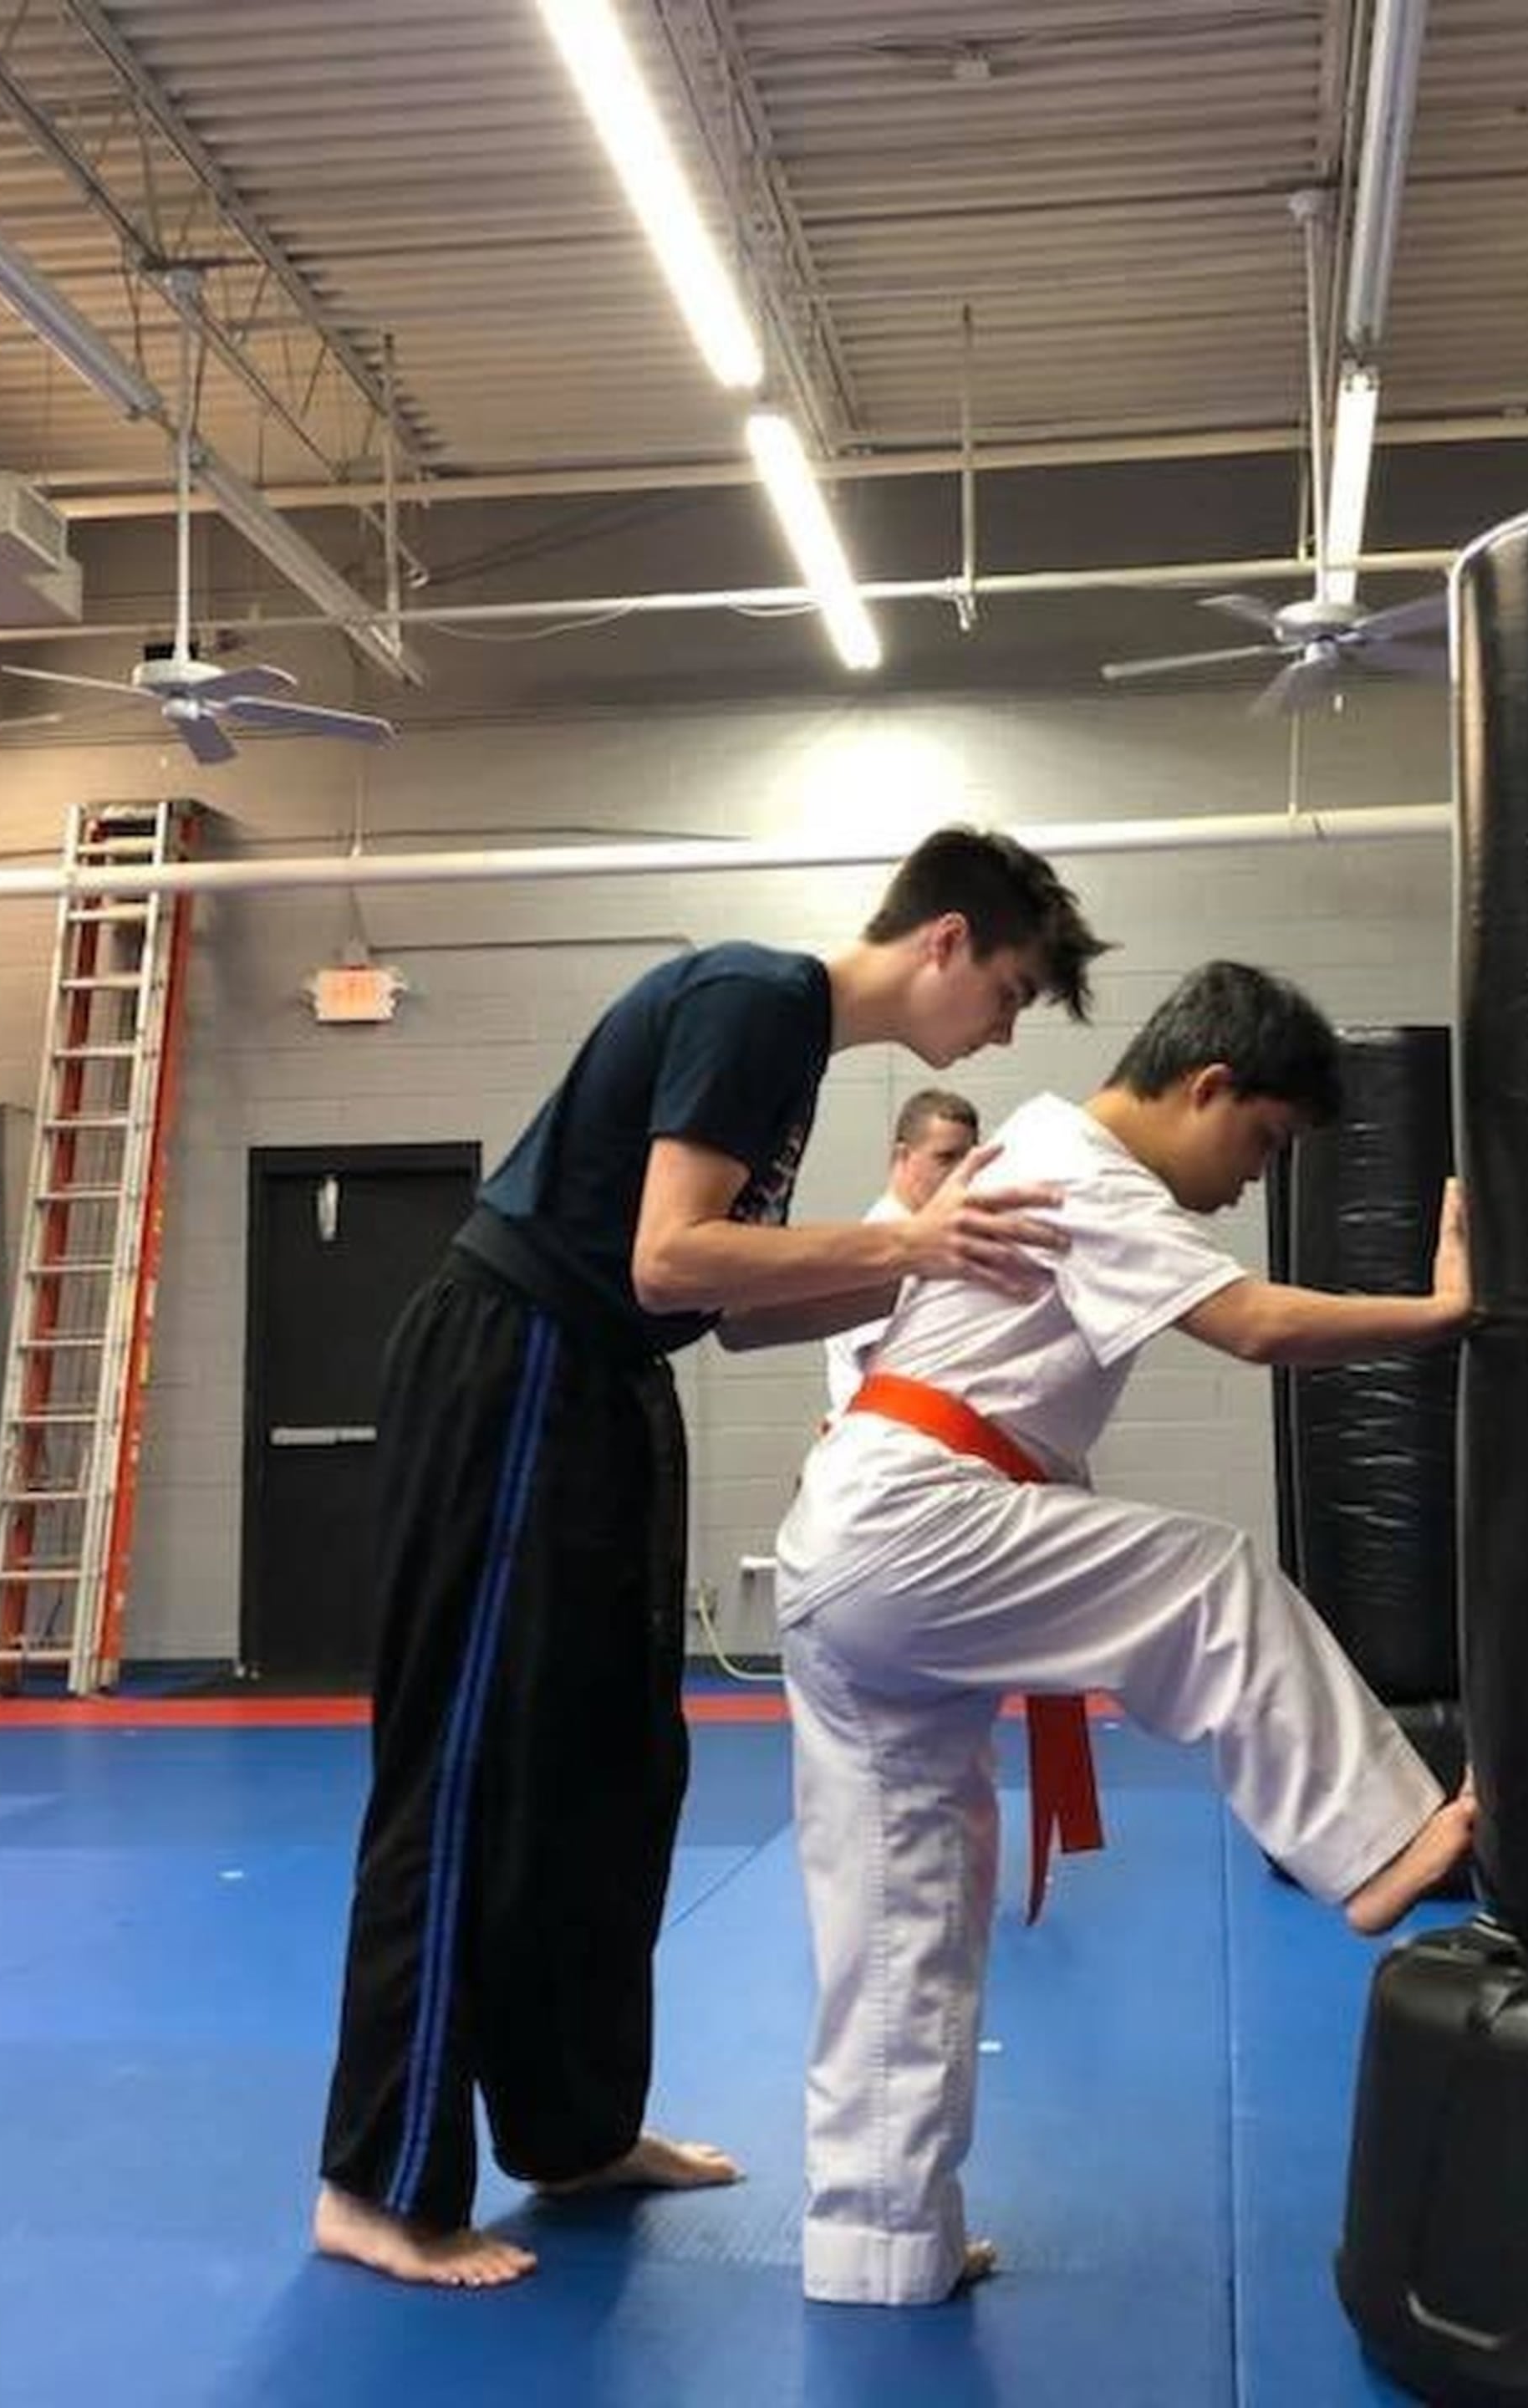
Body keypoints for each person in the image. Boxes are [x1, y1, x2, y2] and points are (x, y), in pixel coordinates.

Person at [311, 826, 1113, 2291]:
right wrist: (915, 1245)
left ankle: (572, 2129)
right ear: (944, 940)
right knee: (473, 1775)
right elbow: (669, 1258)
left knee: (618, 1773)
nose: (1004, 1031)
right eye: (1007, 992)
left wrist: (931, 1272)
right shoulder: (755, 997)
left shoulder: (790, 1053)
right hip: (517, 1368)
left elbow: (734, 1313)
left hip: (612, 1380)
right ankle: (376, 2185)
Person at [772, 961, 1476, 2308]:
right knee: (1212, 1582)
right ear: (1207, 1087)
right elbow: (1254, 1325)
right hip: (913, 1523)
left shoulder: (1036, 1150)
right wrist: (1439, 1318)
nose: (1254, 1180)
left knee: (902, 1915)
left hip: (855, 1545)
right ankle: (1376, 1844)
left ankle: (881, 2246)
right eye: (1262, 1141)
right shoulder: (1087, 1172)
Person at [821, 1088, 984, 1415]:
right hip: (888, 1430)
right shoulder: (882, 1246)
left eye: (968, 1160)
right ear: (902, 1157)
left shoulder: (929, 1240)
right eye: (946, 1158)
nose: (960, 1174)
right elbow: (895, 1368)